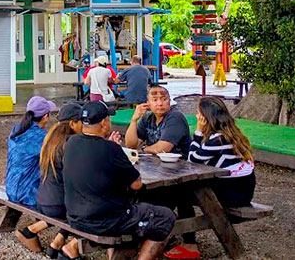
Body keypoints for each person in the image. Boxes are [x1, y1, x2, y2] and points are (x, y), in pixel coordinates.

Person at [62, 101, 175, 260]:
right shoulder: (110, 149)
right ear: (103, 123)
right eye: (108, 119)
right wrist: (116, 152)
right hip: (107, 221)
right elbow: (137, 184)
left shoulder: (71, 143)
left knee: (134, 209)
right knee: (165, 216)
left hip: (75, 217)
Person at [165, 97, 257, 260]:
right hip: (242, 190)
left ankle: (185, 242)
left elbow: (192, 159)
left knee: (181, 195)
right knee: (184, 192)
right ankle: (173, 234)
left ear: (206, 117)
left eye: (198, 114)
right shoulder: (230, 134)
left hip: (234, 195)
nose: (196, 116)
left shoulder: (217, 139)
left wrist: (199, 131)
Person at [124, 86, 193, 258]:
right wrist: (134, 120)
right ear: (148, 103)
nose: (160, 103)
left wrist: (145, 149)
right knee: (139, 191)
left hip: (181, 170)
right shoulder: (147, 118)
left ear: (170, 101)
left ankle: (187, 240)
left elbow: (164, 147)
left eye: (163, 99)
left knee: (166, 195)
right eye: (155, 100)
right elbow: (131, 144)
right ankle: (151, 233)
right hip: (158, 170)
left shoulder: (175, 117)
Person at [14, 101, 83, 257]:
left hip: (42, 198)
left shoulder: (50, 137)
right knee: (84, 208)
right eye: (82, 122)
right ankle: (63, 245)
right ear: (73, 124)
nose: (84, 126)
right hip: (57, 204)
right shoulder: (70, 144)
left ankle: (55, 241)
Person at [5, 96, 57, 207]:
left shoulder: (16, 129)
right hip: (27, 194)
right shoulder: (42, 137)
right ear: (45, 117)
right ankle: (38, 224)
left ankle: (37, 224)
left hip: (11, 187)